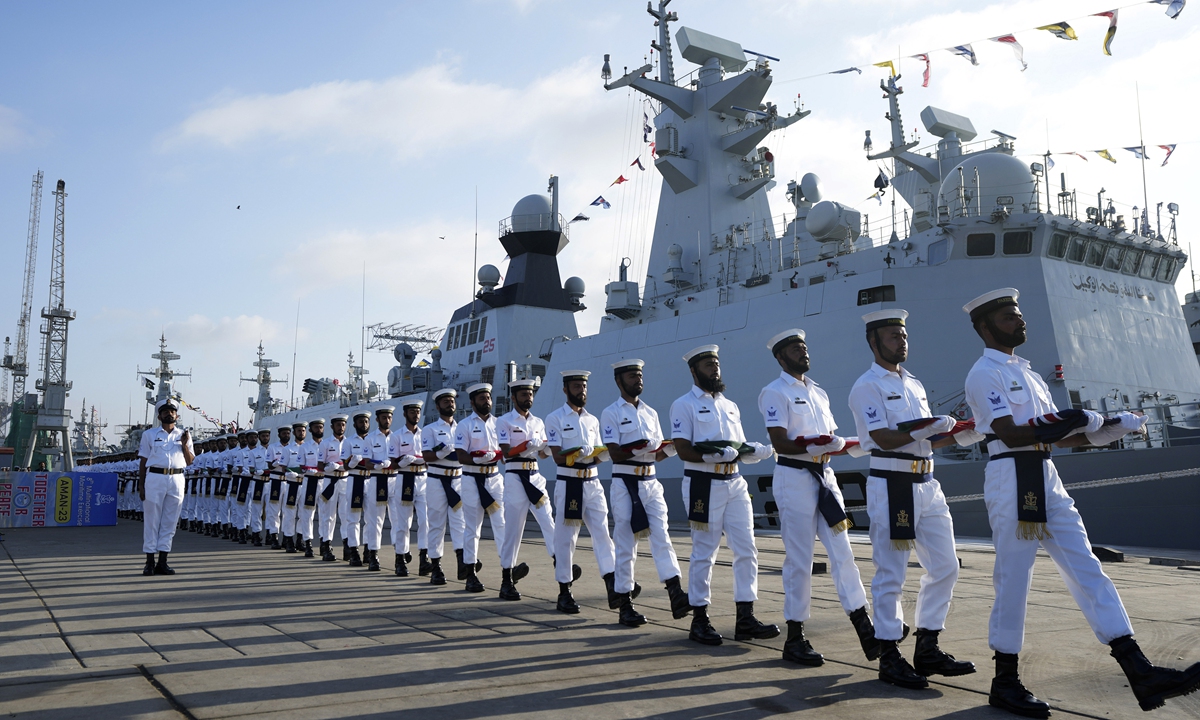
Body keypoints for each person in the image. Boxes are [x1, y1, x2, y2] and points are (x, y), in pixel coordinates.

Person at [963, 288, 1200, 717]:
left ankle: (1139, 671)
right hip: (1011, 476)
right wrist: (1069, 420)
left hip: (1046, 476)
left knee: (1088, 570)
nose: (1019, 322)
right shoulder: (984, 374)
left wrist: (1105, 431)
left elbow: (1057, 434)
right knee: (1014, 581)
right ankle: (1005, 681)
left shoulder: (1030, 374)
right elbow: (1012, 433)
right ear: (984, 327)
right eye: (1008, 318)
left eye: (1019, 315)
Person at [848, 309, 977, 690]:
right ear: (874, 342)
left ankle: (928, 646)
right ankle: (889, 654)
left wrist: (963, 435)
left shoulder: (915, 384)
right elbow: (884, 438)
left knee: (946, 566)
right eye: (892, 336)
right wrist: (930, 428)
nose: (901, 341)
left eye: (903, 335)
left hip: (927, 483)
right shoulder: (866, 387)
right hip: (894, 485)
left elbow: (927, 438)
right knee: (892, 572)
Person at [758, 328, 880, 666]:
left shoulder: (820, 394)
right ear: (781, 357)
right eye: (796, 348)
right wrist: (815, 445)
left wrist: (847, 445)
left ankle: (865, 627)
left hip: (825, 479)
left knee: (844, 552)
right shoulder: (774, 392)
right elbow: (781, 442)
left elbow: (831, 438)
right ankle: (795, 637)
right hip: (794, 478)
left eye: (804, 346)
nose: (803, 352)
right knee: (800, 560)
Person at [670, 345, 778, 646]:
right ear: (694, 371)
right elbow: (683, 449)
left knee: (747, 549)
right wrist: (711, 456)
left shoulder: (730, 405)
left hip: (734, 483)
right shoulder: (683, 405)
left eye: (716, 364)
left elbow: (737, 446)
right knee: (705, 551)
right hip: (704, 484)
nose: (714, 369)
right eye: (707, 365)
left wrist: (753, 452)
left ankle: (745, 617)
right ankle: (700, 619)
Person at [601, 359, 688, 627]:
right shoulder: (611, 413)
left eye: (639, 375)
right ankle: (624, 602)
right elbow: (615, 453)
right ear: (619, 381)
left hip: (651, 482)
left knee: (662, 536)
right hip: (626, 483)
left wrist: (669, 450)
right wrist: (639, 448)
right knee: (627, 543)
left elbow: (656, 454)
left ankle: (675, 593)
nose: (637, 380)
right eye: (631, 376)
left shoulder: (650, 413)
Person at [546, 370, 615, 614]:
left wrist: (601, 455)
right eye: (576, 386)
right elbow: (557, 457)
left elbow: (595, 455)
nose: (581, 391)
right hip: (570, 482)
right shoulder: (554, 418)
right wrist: (578, 453)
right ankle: (564, 591)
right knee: (566, 540)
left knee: (603, 534)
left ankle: (613, 584)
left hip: (593, 483)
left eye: (584, 386)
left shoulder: (593, 420)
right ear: (565, 389)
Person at [496, 378, 558, 601]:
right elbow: (506, 452)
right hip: (514, 477)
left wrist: (548, 449)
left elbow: (541, 452)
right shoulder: (504, 422)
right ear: (514, 398)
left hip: (535, 475)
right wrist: (525, 446)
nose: (528, 398)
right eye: (523, 394)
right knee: (514, 530)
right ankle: (506, 579)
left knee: (548, 520)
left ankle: (559, 560)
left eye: (530, 394)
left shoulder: (539, 422)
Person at [455, 384, 507, 594]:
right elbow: (460, 456)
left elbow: (506, 450)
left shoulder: (500, 424)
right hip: (471, 480)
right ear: (473, 402)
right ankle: (470, 574)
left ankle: (508, 572)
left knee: (502, 524)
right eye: (482, 398)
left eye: (488, 397)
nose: (486, 401)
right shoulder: (464, 425)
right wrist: (477, 459)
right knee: (472, 528)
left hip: (494, 478)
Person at [137, 397, 195, 576]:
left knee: (170, 521)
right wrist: (141, 485)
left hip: (177, 478)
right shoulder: (149, 435)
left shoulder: (183, 435)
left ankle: (163, 561)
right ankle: (149, 562)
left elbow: (190, 461)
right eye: (165, 412)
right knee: (152, 520)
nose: (169, 414)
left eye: (172, 411)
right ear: (159, 416)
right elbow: (143, 461)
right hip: (154, 477)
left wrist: (185, 445)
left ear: (177, 416)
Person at [423, 389, 472, 586]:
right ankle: (436, 567)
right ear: (437, 406)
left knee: (460, 523)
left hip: (458, 479)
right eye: (445, 402)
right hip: (437, 479)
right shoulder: (430, 429)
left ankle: (463, 563)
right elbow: (427, 456)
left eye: (452, 401)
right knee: (436, 524)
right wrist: (441, 453)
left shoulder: (463, 428)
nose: (450, 404)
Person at [388, 399, 428, 577]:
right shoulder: (396, 436)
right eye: (412, 412)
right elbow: (392, 463)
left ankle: (424, 558)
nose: (416, 415)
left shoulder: (425, 434)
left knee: (426, 521)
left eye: (418, 412)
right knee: (404, 523)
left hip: (423, 478)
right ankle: (400, 559)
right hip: (405, 479)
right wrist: (402, 461)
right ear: (405, 414)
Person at [363, 406, 397, 572]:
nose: (387, 420)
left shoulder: (397, 438)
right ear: (377, 419)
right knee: (376, 520)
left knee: (399, 519)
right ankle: (373, 555)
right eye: (384, 417)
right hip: (377, 480)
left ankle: (400, 554)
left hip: (395, 480)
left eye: (389, 417)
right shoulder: (370, 439)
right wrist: (378, 465)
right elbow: (366, 463)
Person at [341, 410, 375, 568]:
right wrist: (354, 462)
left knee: (371, 518)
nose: (364, 424)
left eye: (366, 421)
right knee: (353, 518)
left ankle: (369, 549)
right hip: (355, 480)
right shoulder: (348, 442)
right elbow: (345, 465)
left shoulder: (374, 439)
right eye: (361, 422)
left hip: (371, 479)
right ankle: (354, 550)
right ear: (355, 424)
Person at [317, 414, 349, 562]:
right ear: (332, 427)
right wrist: (329, 467)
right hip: (330, 481)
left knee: (346, 515)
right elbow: (320, 466)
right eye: (338, 425)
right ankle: (326, 545)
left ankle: (348, 546)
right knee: (328, 515)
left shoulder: (349, 443)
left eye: (343, 424)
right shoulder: (325, 444)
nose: (341, 427)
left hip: (345, 481)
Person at [297, 418, 325, 558]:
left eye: (321, 427)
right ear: (310, 430)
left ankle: (325, 542)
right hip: (311, 481)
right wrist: (309, 471)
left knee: (326, 514)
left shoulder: (327, 445)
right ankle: (307, 542)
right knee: (308, 514)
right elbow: (301, 466)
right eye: (316, 427)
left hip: (325, 481)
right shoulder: (304, 447)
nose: (319, 430)